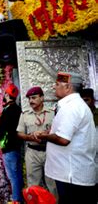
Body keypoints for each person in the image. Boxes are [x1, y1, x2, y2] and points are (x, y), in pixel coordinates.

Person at [35, 72, 96, 204]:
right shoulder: (74, 105)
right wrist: (50, 132)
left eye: (57, 84)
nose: (53, 87)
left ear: (68, 87)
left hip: (72, 174)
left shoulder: (71, 107)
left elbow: (63, 139)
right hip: (72, 172)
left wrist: (44, 136)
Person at [16, 86, 56, 195]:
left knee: (52, 184)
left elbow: (59, 132)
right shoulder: (24, 115)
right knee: (33, 185)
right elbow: (19, 133)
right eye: (29, 99)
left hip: (50, 151)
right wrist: (30, 137)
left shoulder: (52, 113)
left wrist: (46, 134)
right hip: (32, 152)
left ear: (42, 98)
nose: (31, 101)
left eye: (34, 98)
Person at [0, 84, 23, 203]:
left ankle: (16, 200)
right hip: (15, 146)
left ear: (7, 95)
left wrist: (1, 142)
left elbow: (3, 130)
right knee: (17, 175)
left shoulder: (8, 110)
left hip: (9, 147)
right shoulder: (17, 109)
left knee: (13, 176)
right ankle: (19, 198)